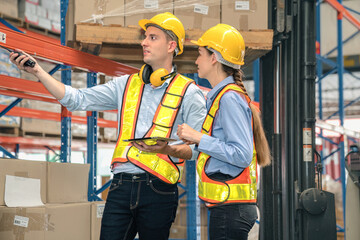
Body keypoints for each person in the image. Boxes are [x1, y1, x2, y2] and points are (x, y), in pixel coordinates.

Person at [10, 12, 207, 240]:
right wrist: (38, 71)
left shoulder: (189, 92)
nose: (144, 42)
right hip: (121, 186)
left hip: (159, 189)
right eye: (145, 37)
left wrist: (167, 149)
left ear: (171, 45)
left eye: (153, 37)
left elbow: (196, 149)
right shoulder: (126, 84)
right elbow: (76, 99)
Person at [177, 24, 271, 240]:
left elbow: (241, 154)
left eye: (200, 54)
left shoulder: (228, 99)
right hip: (228, 208)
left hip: (231, 210)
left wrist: (198, 137)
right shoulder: (222, 97)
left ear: (214, 58)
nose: (196, 61)